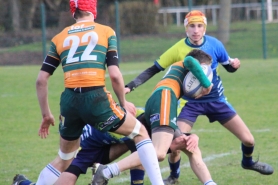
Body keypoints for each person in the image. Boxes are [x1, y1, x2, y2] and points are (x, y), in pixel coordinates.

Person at [124, 10, 274, 184]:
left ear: (204, 28)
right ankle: (174, 176)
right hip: (190, 104)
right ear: (186, 29)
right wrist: (130, 86)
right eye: (192, 26)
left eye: (199, 26)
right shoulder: (178, 48)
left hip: (216, 100)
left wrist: (234, 65)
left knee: (249, 139)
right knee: (178, 142)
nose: (196, 30)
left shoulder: (215, 44)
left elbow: (228, 66)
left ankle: (247, 162)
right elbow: (154, 68)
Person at [35, 0, 164, 184]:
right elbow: (115, 76)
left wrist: (46, 114)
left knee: (64, 159)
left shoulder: (59, 37)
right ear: (93, 9)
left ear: (74, 12)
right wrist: (123, 103)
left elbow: (41, 80)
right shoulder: (106, 31)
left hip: (69, 101)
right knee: (140, 132)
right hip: (96, 98)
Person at [91, 50, 217, 185]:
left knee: (189, 145)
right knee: (159, 152)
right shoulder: (188, 62)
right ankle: (107, 171)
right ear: (201, 65)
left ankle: (209, 183)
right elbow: (190, 61)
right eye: (204, 69)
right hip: (164, 98)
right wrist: (206, 83)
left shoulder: (179, 73)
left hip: (160, 100)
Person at [11, 108, 189, 185]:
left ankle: (100, 170)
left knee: (135, 149)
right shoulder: (137, 128)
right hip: (85, 143)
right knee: (67, 176)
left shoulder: (155, 123)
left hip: (104, 142)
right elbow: (141, 161)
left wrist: (190, 137)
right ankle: (23, 183)